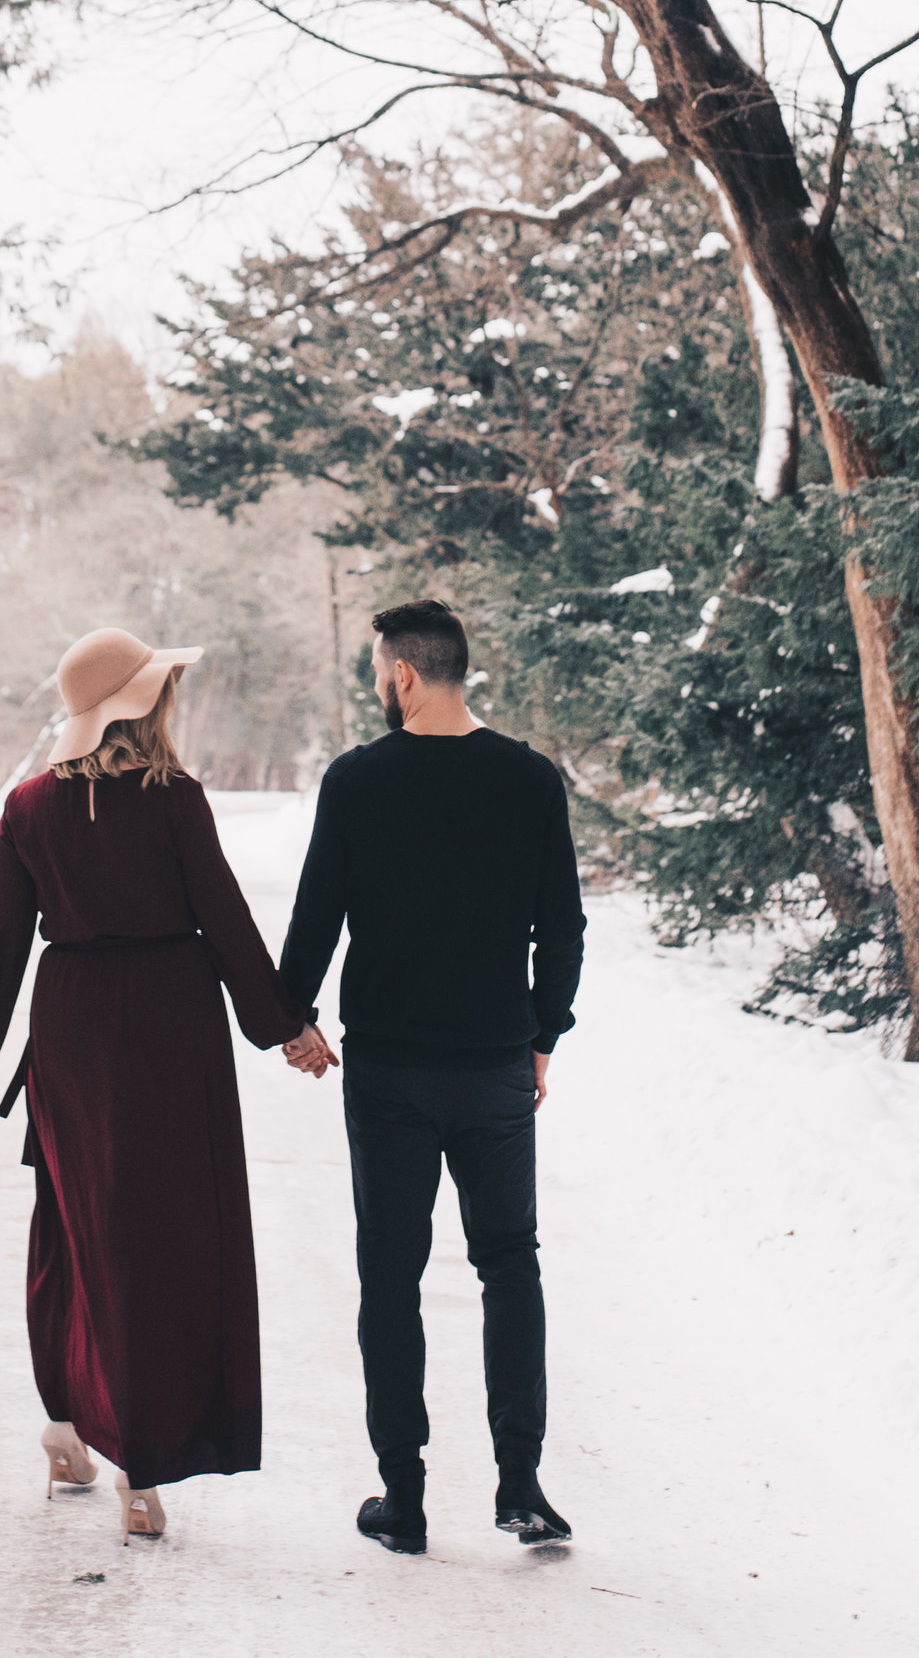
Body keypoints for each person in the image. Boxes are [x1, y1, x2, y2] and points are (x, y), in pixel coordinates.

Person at [0, 627, 312, 1547]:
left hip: (74, 1024)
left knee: (72, 1228)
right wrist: (285, 1025)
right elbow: (225, 920)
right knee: (168, 1241)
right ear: (143, 704)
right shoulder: (174, 798)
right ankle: (143, 1465)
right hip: (173, 1024)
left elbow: (4, 949)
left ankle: (67, 1429)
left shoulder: (24, 807)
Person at [277, 595, 586, 1558]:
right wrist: (544, 1034)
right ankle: (522, 1482)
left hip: (390, 1072)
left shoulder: (358, 779)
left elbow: (317, 914)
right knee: (509, 1265)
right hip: (494, 1063)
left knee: (390, 1276)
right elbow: (562, 925)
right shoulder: (528, 778)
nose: (378, 684)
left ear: (403, 674)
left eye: (379, 670)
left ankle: (402, 1499)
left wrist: (294, 1017)